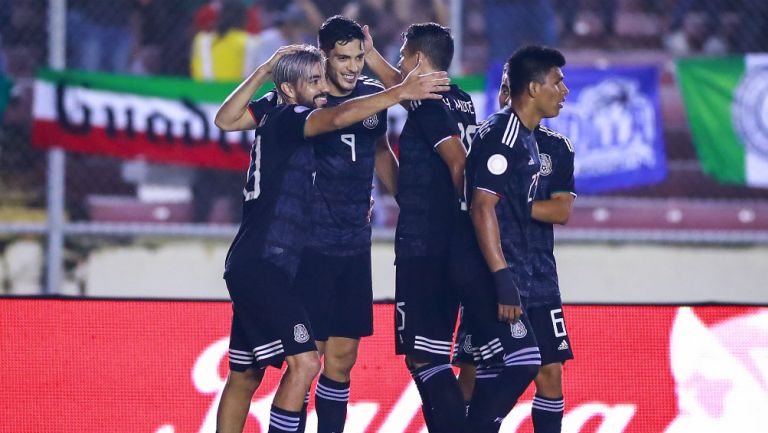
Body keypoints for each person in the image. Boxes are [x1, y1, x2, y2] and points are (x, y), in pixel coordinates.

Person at [214, 45, 449, 433]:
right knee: (306, 364)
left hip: (256, 260)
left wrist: (266, 70)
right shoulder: (291, 117)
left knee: (245, 374)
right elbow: (337, 117)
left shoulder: (275, 111)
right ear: (290, 90)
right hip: (267, 263)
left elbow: (225, 119)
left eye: (323, 78)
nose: (324, 87)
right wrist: (399, 92)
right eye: (315, 81)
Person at [249, 15, 398, 433]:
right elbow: (234, 122)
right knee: (305, 360)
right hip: (309, 246)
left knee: (343, 360)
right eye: (343, 58)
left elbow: (381, 151)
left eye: (358, 57)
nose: (353, 66)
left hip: (355, 243)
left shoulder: (371, 96)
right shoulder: (300, 104)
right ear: (324, 58)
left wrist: (407, 201)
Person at [450, 45, 569, 432]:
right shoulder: (502, 134)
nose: (564, 90)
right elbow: (482, 207)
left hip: (533, 276)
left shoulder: (532, 139)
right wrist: (502, 280)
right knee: (517, 362)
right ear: (534, 88)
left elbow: (556, 210)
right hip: (499, 276)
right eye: (557, 82)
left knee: (525, 365)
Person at [364, 23, 476, 432]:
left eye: (401, 57)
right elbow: (401, 89)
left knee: (426, 359)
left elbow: (458, 162)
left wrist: (468, 218)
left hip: (427, 245)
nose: (398, 65)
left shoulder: (427, 105)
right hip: (448, 241)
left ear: (418, 60)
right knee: (426, 356)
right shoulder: (461, 101)